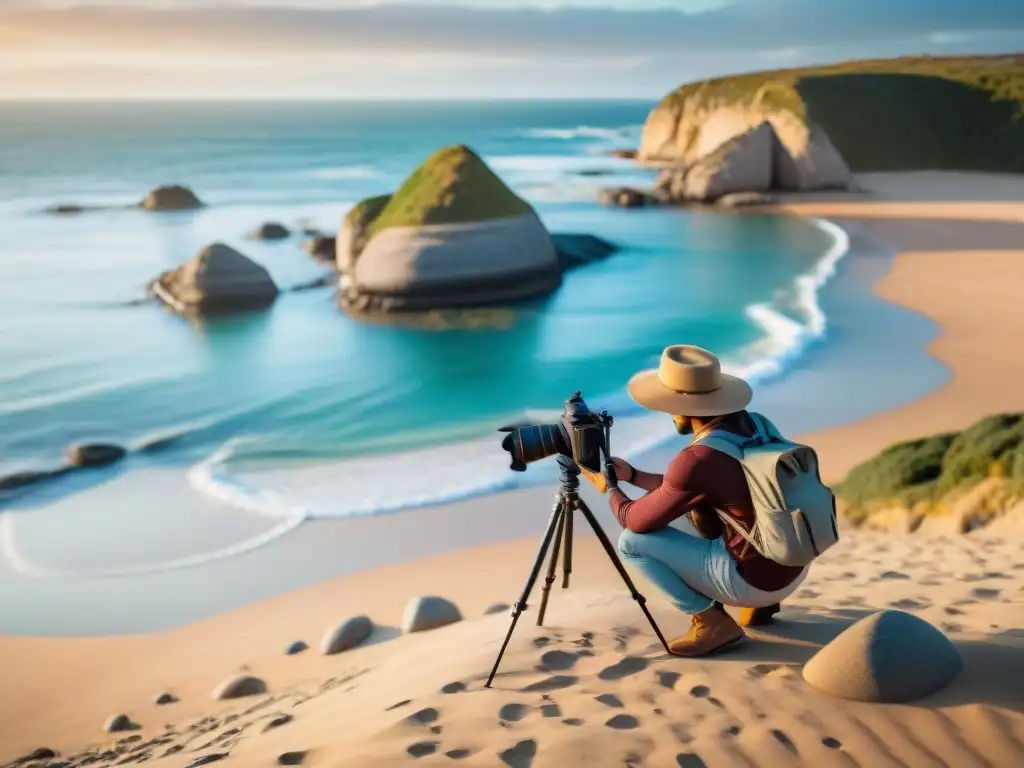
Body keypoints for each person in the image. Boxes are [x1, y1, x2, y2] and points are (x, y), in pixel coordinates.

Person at [584, 344, 809, 657]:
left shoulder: (698, 459)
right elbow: (695, 488)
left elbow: (634, 519)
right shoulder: (757, 425)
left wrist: (608, 487)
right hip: (791, 565)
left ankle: (711, 622)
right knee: (689, 511)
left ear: (680, 407)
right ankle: (763, 610)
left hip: (754, 583)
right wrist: (634, 476)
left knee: (631, 541)